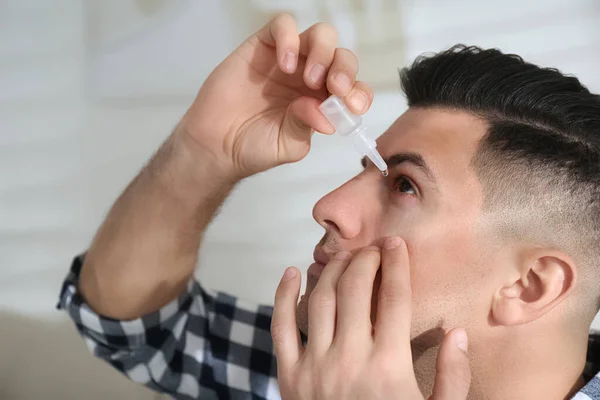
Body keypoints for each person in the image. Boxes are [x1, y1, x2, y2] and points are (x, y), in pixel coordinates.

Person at [56, 13, 600, 400]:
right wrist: (203, 152)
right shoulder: (319, 366)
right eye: (369, 171)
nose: (328, 206)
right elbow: (136, 328)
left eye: (404, 186)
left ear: (530, 285)